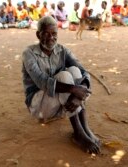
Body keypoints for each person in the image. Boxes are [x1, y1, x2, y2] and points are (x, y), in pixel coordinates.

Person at [22, 16, 101, 154]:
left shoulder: (62, 50)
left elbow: (84, 72)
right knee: (64, 77)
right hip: (39, 106)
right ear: (38, 35)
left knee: (75, 71)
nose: (51, 37)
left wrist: (77, 97)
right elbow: (42, 81)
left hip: (61, 103)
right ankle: (78, 133)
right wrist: (73, 89)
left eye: (54, 34)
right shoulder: (29, 53)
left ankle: (85, 128)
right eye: (46, 33)